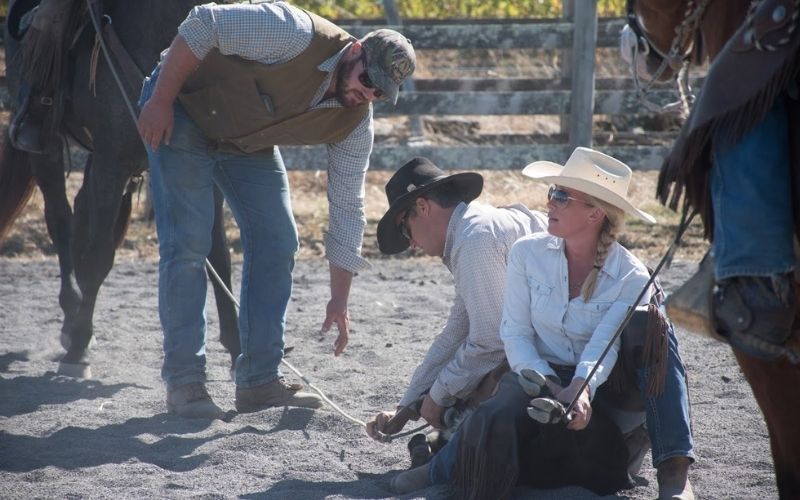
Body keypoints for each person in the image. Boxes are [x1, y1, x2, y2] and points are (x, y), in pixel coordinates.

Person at [136, 1, 416, 419]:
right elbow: (204, 22)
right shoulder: (294, 32)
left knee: (279, 240)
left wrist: (340, 300)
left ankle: (259, 381)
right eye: (367, 80)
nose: (367, 94)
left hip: (244, 140)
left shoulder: (356, 122)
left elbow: (347, 205)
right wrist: (159, 100)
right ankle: (185, 382)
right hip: (183, 106)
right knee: (189, 241)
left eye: (379, 93)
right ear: (355, 50)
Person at [391, 148, 695, 500]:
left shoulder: (631, 276)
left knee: (652, 326)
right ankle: (442, 467)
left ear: (595, 213)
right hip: (541, 378)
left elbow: (605, 346)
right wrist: (547, 382)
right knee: (507, 397)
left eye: (562, 196)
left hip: (607, 388)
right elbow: (515, 334)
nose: (550, 202)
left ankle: (675, 473)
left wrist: (581, 389)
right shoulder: (526, 253)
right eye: (552, 192)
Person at [365, 157, 548, 459]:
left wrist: (438, 396)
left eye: (405, 230)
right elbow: (459, 329)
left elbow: (491, 338)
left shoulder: (474, 241)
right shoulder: (473, 230)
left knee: (489, 381)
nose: (410, 243)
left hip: (571, 337)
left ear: (422, 207)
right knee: (473, 378)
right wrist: (409, 405)